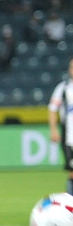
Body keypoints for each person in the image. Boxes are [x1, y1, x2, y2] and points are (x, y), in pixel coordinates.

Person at [48, 57, 73, 195]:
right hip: (70, 138)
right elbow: (52, 109)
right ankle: (69, 202)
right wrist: (53, 130)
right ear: (69, 70)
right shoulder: (63, 89)